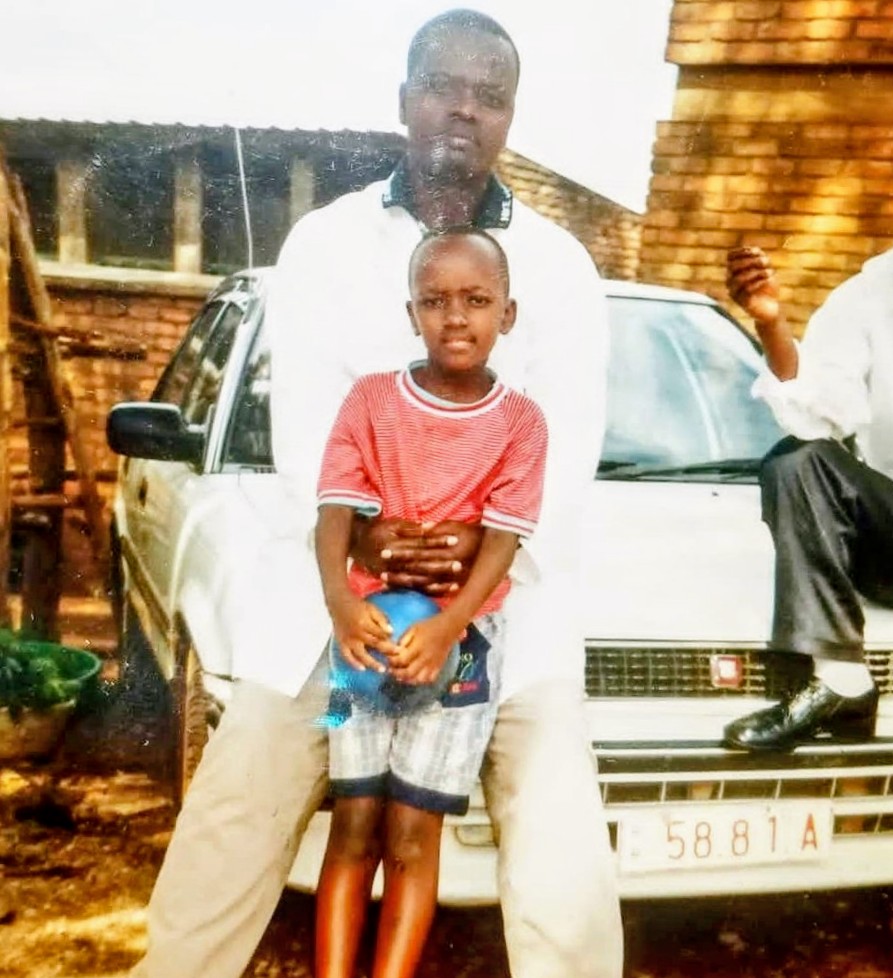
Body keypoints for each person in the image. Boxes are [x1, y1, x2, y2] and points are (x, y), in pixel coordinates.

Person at [130, 10, 622, 978]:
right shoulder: (326, 242)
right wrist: (365, 541)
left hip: (499, 602)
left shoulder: (559, 267)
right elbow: (307, 429)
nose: (464, 110)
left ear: (509, 116)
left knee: (561, 844)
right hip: (340, 600)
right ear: (403, 100)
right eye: (444, 86)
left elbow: (565, 445)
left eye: (489, 96)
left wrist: (473, 554)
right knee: (234, 814)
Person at [722, 87, 893, 978]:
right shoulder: (875, 288)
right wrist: (772, 326)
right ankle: (838, 676)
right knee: (796, 462)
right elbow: (817, 412)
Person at [313, 227, 547, 978]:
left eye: (476, 300)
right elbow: (333, 514)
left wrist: (449, 625)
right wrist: (340, 606)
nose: (455, 317)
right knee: (354, 823)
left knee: (414, 834)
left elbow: (503, 540)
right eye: (434, 300)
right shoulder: (371, 399)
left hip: (462, 646)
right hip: (364, 633)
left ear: (507, 313)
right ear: (410, 312)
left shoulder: (521, 422)